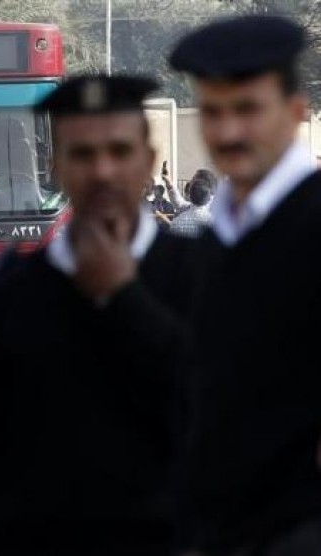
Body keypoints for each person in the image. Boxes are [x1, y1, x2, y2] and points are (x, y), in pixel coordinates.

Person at [0, 75, 197, 556]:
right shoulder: (4, 300)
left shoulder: (208, 276)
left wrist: (125, 296)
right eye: (82, 154)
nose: (102, 171)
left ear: (148, 162)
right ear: (54, 169)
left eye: (120, 151)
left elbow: (222, 421)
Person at [169, 14, 321, 555]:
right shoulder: (213, 244)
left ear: (296, 111)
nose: (229, 132)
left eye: (248, 110)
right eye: (213, 112)